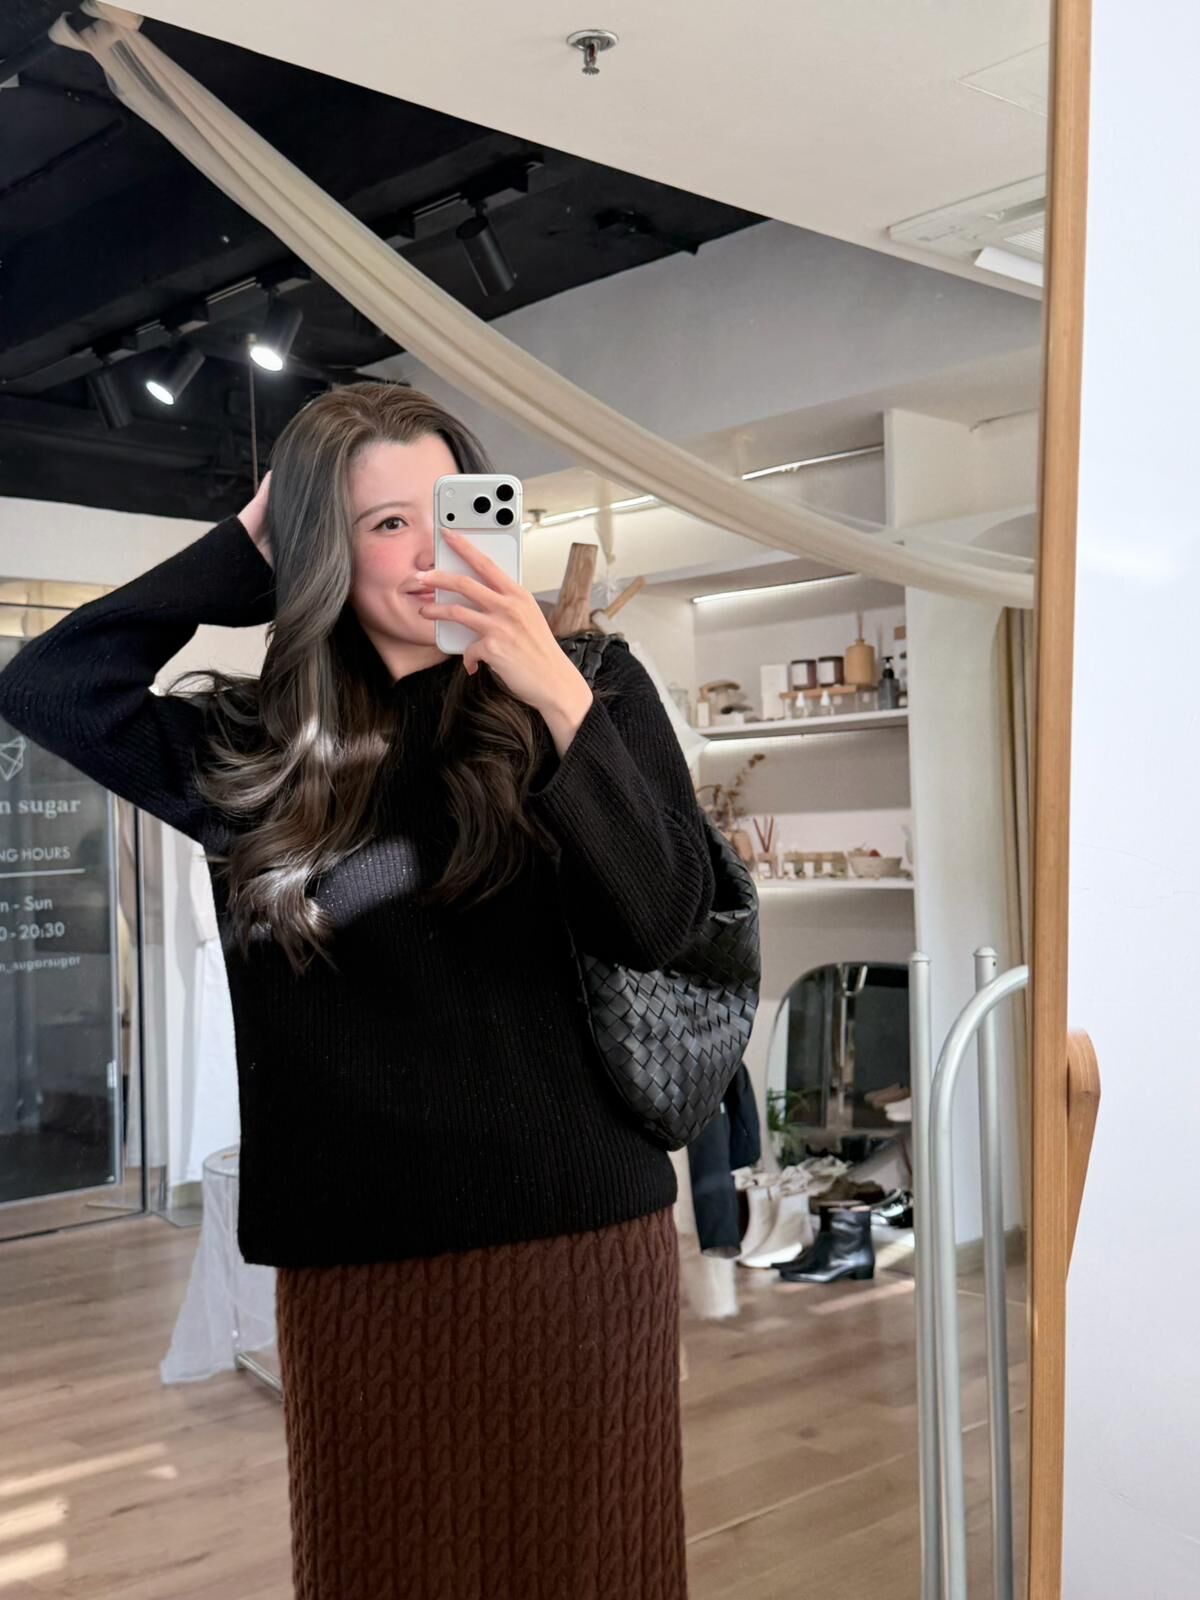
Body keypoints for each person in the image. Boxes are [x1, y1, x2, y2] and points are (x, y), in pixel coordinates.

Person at [0, 382, 714, 1600]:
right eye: (384, 524)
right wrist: (240, 550)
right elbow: (47, 688)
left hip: (574, 1243)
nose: (430, 550)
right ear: (322, 548)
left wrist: (553, 690)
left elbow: (662, 918)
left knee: (594, 1572)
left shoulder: (591, 688)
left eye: (449, 510)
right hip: (356, 1262)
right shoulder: (249, 745)